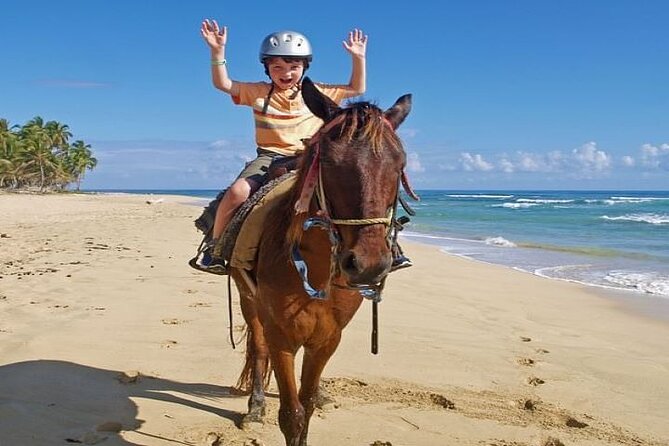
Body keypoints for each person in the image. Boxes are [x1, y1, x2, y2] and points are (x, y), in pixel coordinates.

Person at [196, 20, 411, 274]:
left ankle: (390, 247)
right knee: (237, 192)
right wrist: (217, 52)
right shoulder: (257, 92)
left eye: (293, 66)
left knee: (360, 190)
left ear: (304, 67)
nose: (285, 73)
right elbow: (224, 84)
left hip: (310, 156)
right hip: (270, 157)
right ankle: (216, 247)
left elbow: (356, 88)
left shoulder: (316, 91)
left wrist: (358, 57)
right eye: (277, 67)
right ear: (267, 69)